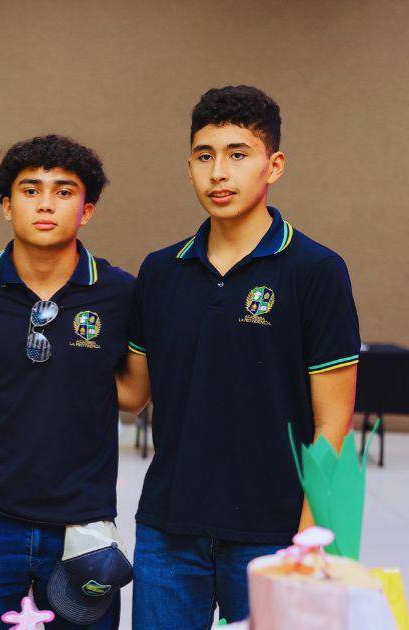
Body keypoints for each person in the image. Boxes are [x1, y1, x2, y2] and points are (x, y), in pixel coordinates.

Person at [121, 85, 361, 627]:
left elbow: (334, 422)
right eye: (204, 156)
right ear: (189, 168)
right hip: (169, 527)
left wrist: (309, 536)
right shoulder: (160, 271)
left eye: (238, 154)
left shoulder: (316, 270)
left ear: (274, 166)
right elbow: (133, 394)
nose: (219, 173)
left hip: (275, 533)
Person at [0, 135, 132, 629]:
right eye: (30, 190)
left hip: (82, 519)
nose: (46, 203)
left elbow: (134, 396)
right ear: (7, 205)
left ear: (86, 210)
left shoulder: (119, 293)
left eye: (63, 191)